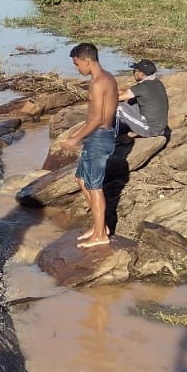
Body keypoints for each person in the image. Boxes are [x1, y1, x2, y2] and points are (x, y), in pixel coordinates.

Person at [56, 42, 119, 249]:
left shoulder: (98, 83)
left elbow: (97, 120)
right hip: (99, 136)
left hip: (99, 137)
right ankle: (99, 226)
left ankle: (101, 234)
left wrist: (74, 139)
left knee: (94, 187)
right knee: (81, 179)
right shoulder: (108, 78)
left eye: (77, 64)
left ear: (87, 61)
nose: (76, 68)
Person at [115, 59, 169, 138]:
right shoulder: (156, 82)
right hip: (159, 127)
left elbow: (118, 98)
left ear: (141, 73)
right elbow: (128, 92)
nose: (134, 73)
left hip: (150, 130)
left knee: (119, 107)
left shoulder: (143, 87)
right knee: (133, 100)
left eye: (136, 71)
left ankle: (114, 136)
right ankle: (126, 126)